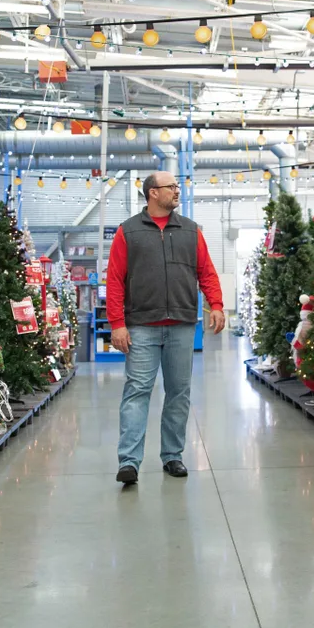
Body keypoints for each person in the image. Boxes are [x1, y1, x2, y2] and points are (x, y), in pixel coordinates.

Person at [106, 171, 225, 485]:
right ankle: (129, 462)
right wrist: (117, 324)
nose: (177, 191)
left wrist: (216, 304)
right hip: (141, 326)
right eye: (170, 187)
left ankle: (173, 456)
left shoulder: (190, 231)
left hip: (182, 326)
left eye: (177, 186)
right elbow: (115, 280)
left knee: (178, 394)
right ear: (152, 193)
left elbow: (207, 272)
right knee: (137, 392)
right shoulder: (127, 232)